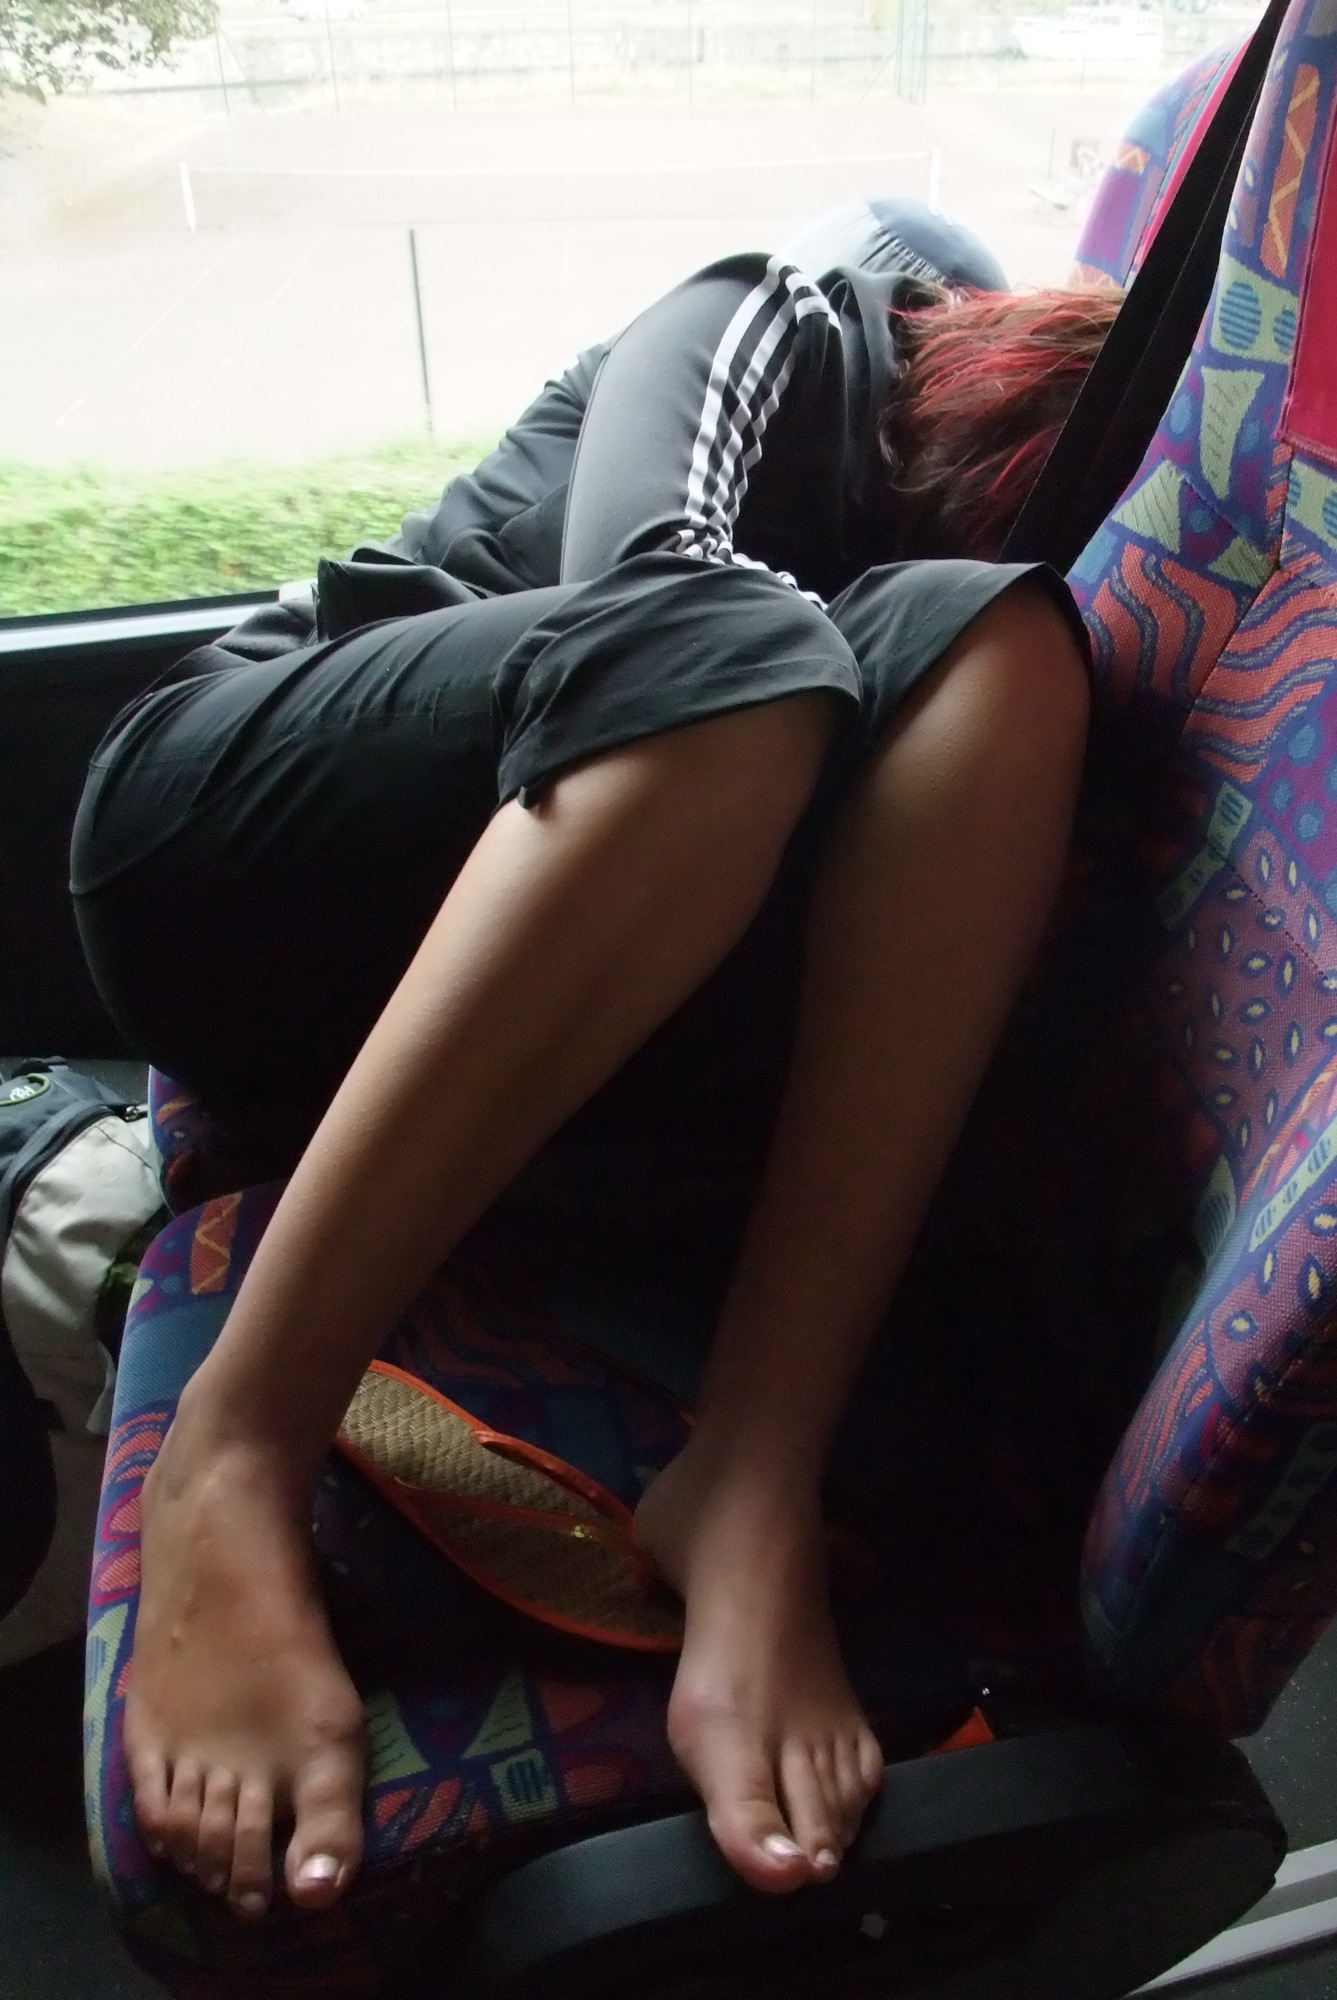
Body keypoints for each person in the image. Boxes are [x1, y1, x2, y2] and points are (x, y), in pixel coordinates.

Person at [70, 227, 1119, 1928]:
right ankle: (233, 1455)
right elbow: (660, 602)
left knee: (1007, 648)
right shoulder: (778, 317)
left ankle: (749, 1478)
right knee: (739, 654)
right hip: (230, 855)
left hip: (565, 979)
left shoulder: (942, 589)